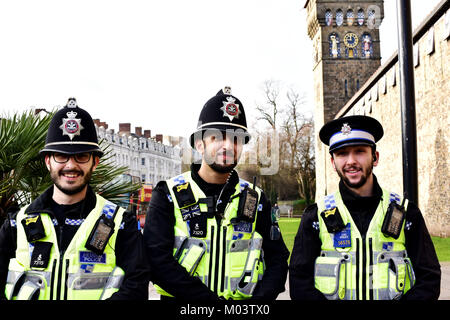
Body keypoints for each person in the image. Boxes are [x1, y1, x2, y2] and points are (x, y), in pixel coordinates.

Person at [144, 87, 289, 300]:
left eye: (237, 138)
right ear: (199, 144)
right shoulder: (167, 194)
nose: (228, 145)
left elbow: (278, 260)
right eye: (218, 137)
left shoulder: (256, 198)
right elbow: (156, 261)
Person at [0, 98, 149, 300]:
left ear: (95, 162)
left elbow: (137, 288)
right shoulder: (15, 224)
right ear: (47, 162)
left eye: (81, 156)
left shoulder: (122, 224)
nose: (71, 165)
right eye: (61, 156)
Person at [289, 115, 441, 300]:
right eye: (342, 153)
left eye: (359, 151)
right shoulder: (315, 216)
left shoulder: (406, 213)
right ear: (332, 162)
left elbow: (429, 278)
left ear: (375, 157)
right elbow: (300, 283)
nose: (351, 161)